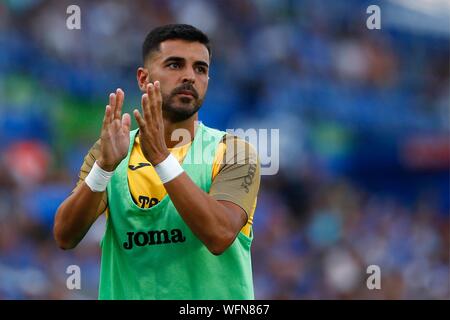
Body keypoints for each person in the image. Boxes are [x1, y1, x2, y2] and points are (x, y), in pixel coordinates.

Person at [53, 24, 261, 300]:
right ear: (143, 78)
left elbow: (220, 234)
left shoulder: (234, 152)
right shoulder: (112, 151)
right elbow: (65, 236)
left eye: (200, 69)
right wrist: (102, 170)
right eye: (175, 65)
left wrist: (162, 160)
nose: (189, 76)